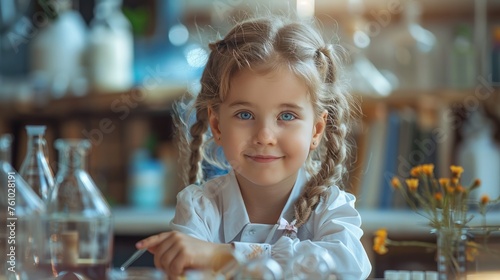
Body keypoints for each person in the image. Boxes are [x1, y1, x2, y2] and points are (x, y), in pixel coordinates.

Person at [136, 15, 372, 279]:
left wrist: (224, 256)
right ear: (217, 125)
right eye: (245, 115)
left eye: (287, 116)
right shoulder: (199, 207)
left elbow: (349, 267)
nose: (265, 136)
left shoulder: (329, 207)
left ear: (316, 130)